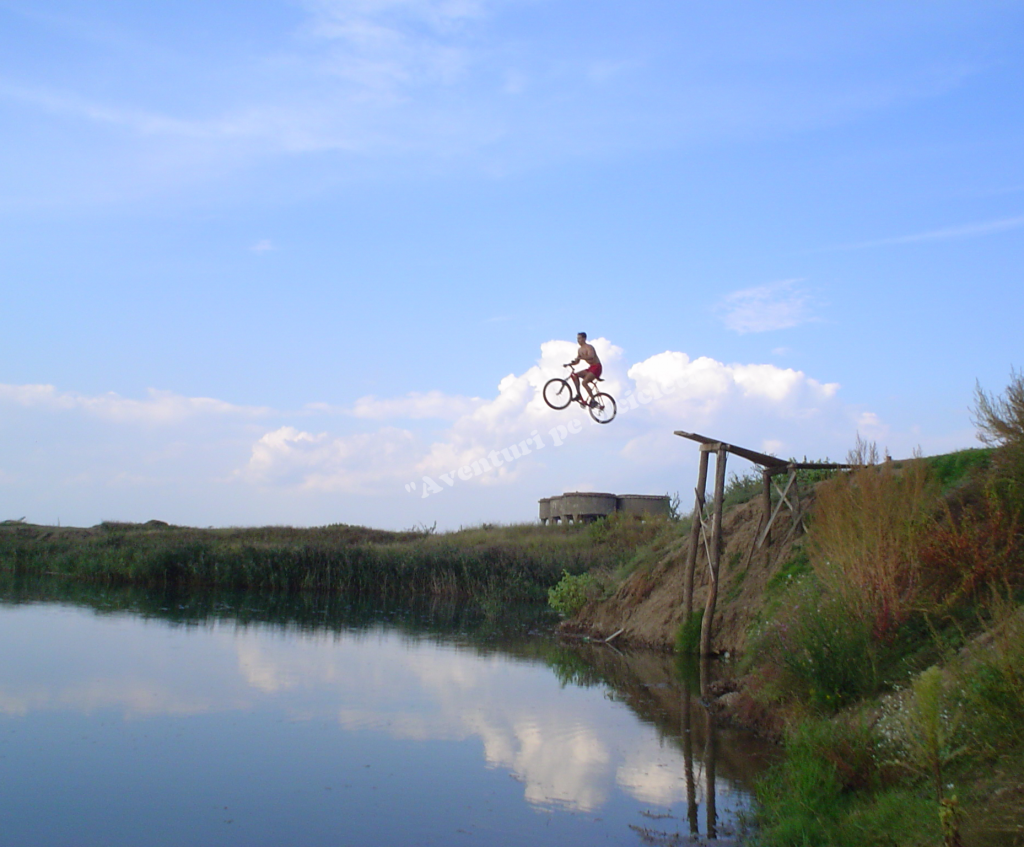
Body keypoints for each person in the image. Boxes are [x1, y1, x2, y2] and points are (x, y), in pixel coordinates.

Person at [565, 332, 602, 407]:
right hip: (591, 368)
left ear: (584, 339)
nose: (578, 340)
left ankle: (593, 400)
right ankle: (578, 394)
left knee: (584, 383)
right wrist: (570, 364)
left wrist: (581, 358)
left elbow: (591, 356)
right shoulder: (579, 350)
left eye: (579, 338)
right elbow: (577, 361)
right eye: (577, 339)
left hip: (597, 367)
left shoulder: (589, 347)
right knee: (575, 376)